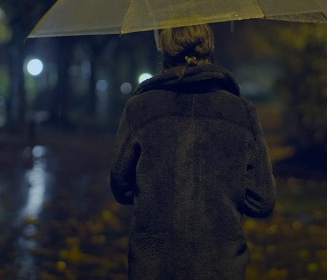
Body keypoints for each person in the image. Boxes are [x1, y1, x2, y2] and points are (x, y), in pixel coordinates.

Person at [110, 24, 277, 280]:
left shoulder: (139, 110)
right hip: (221, 268)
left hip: (153, 268)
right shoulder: (241, 112)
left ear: (164, 49)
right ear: (210, 48)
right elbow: (262, 200)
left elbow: (121, 188)